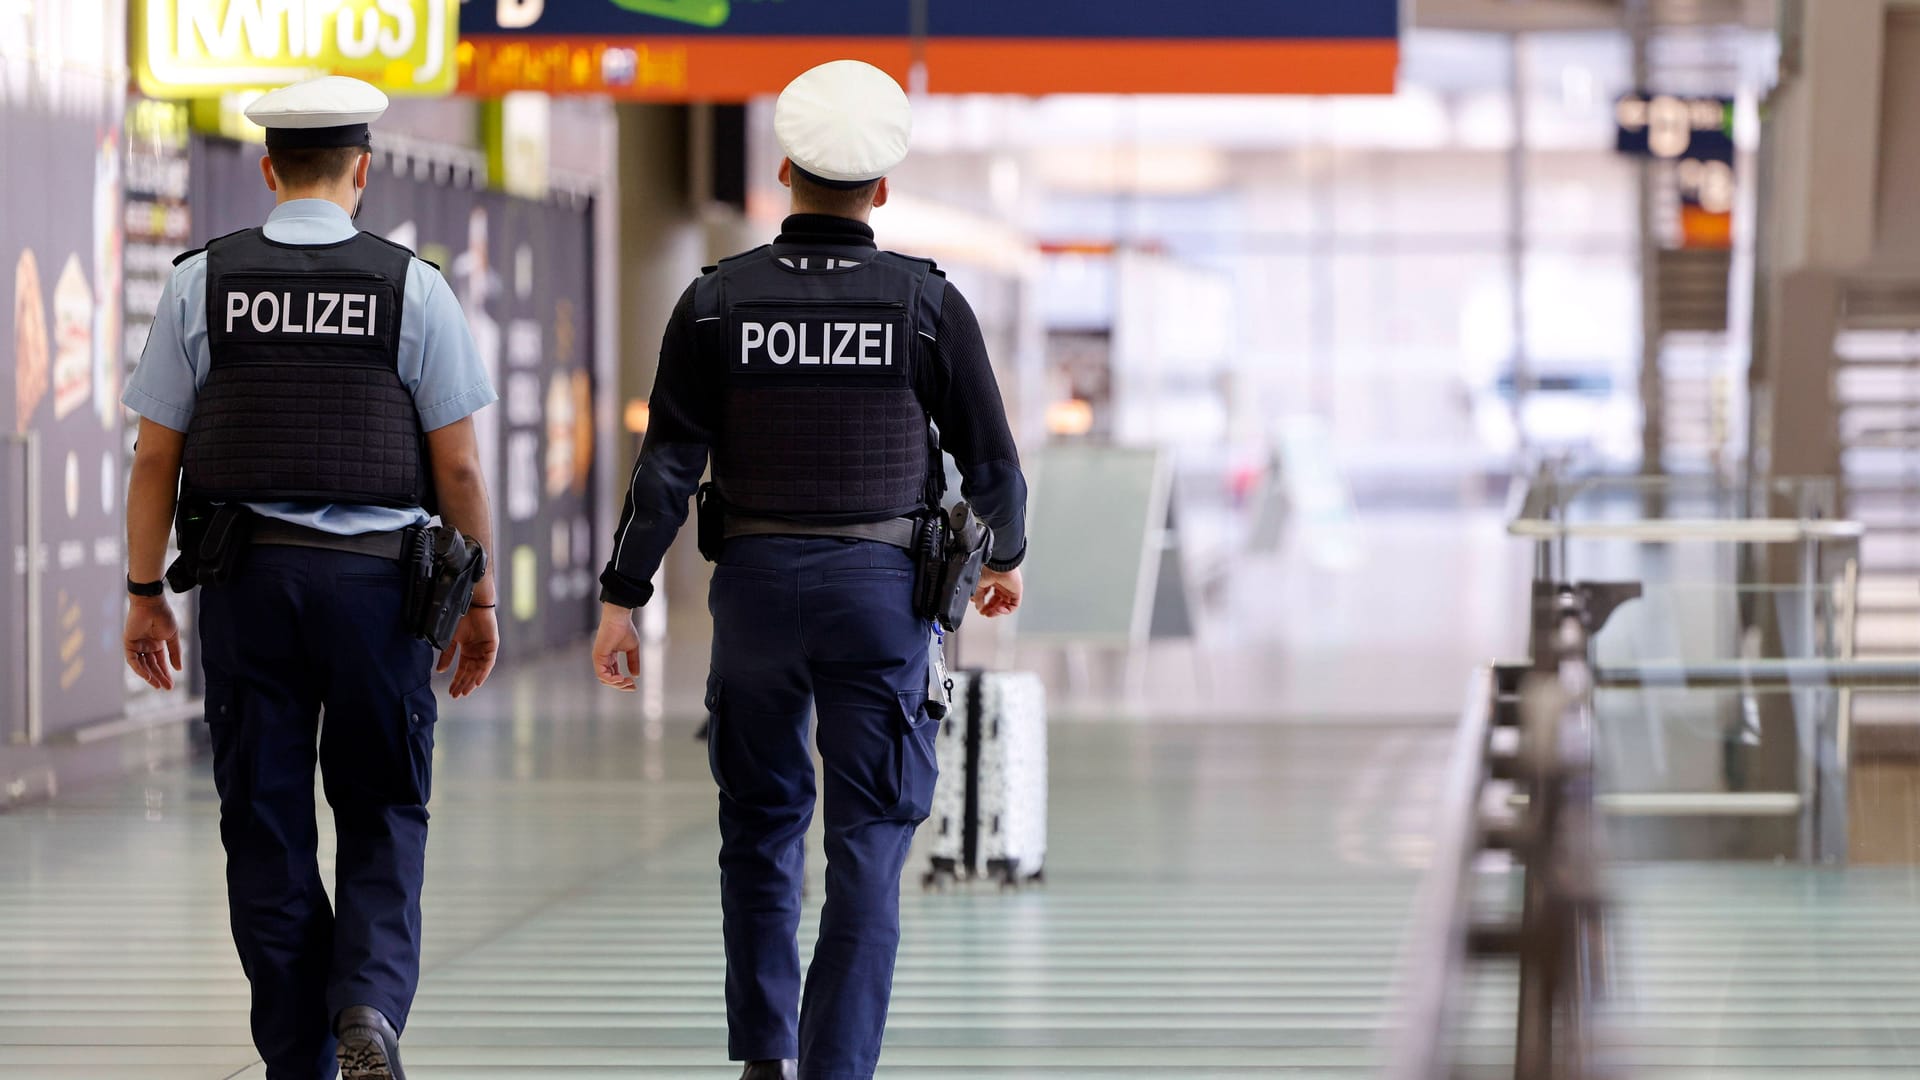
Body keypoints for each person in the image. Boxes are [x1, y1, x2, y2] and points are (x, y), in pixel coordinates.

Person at [592, 59, 1029, 1080]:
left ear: (782, 172)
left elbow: (666, 465)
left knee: (758, 829)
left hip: (749, 596)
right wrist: (1001, 559)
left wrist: (622, 599)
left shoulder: (715, 302)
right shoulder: (925, 304)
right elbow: (993, 461)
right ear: (882, 189)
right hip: (882, 600)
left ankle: (763, 1058)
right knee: (870, 842)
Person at [120, 76, 500, 1080]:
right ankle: (368, 1003)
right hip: (383, 595)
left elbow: (155, 457)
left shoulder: (200, 283)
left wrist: (141, 592)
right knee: (382, 807)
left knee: (266, 823)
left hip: (248, 589)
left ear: (268, 171)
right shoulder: (412, 286)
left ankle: (299, 1059)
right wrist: (483, 603)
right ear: (363, 173)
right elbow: (457, 466)